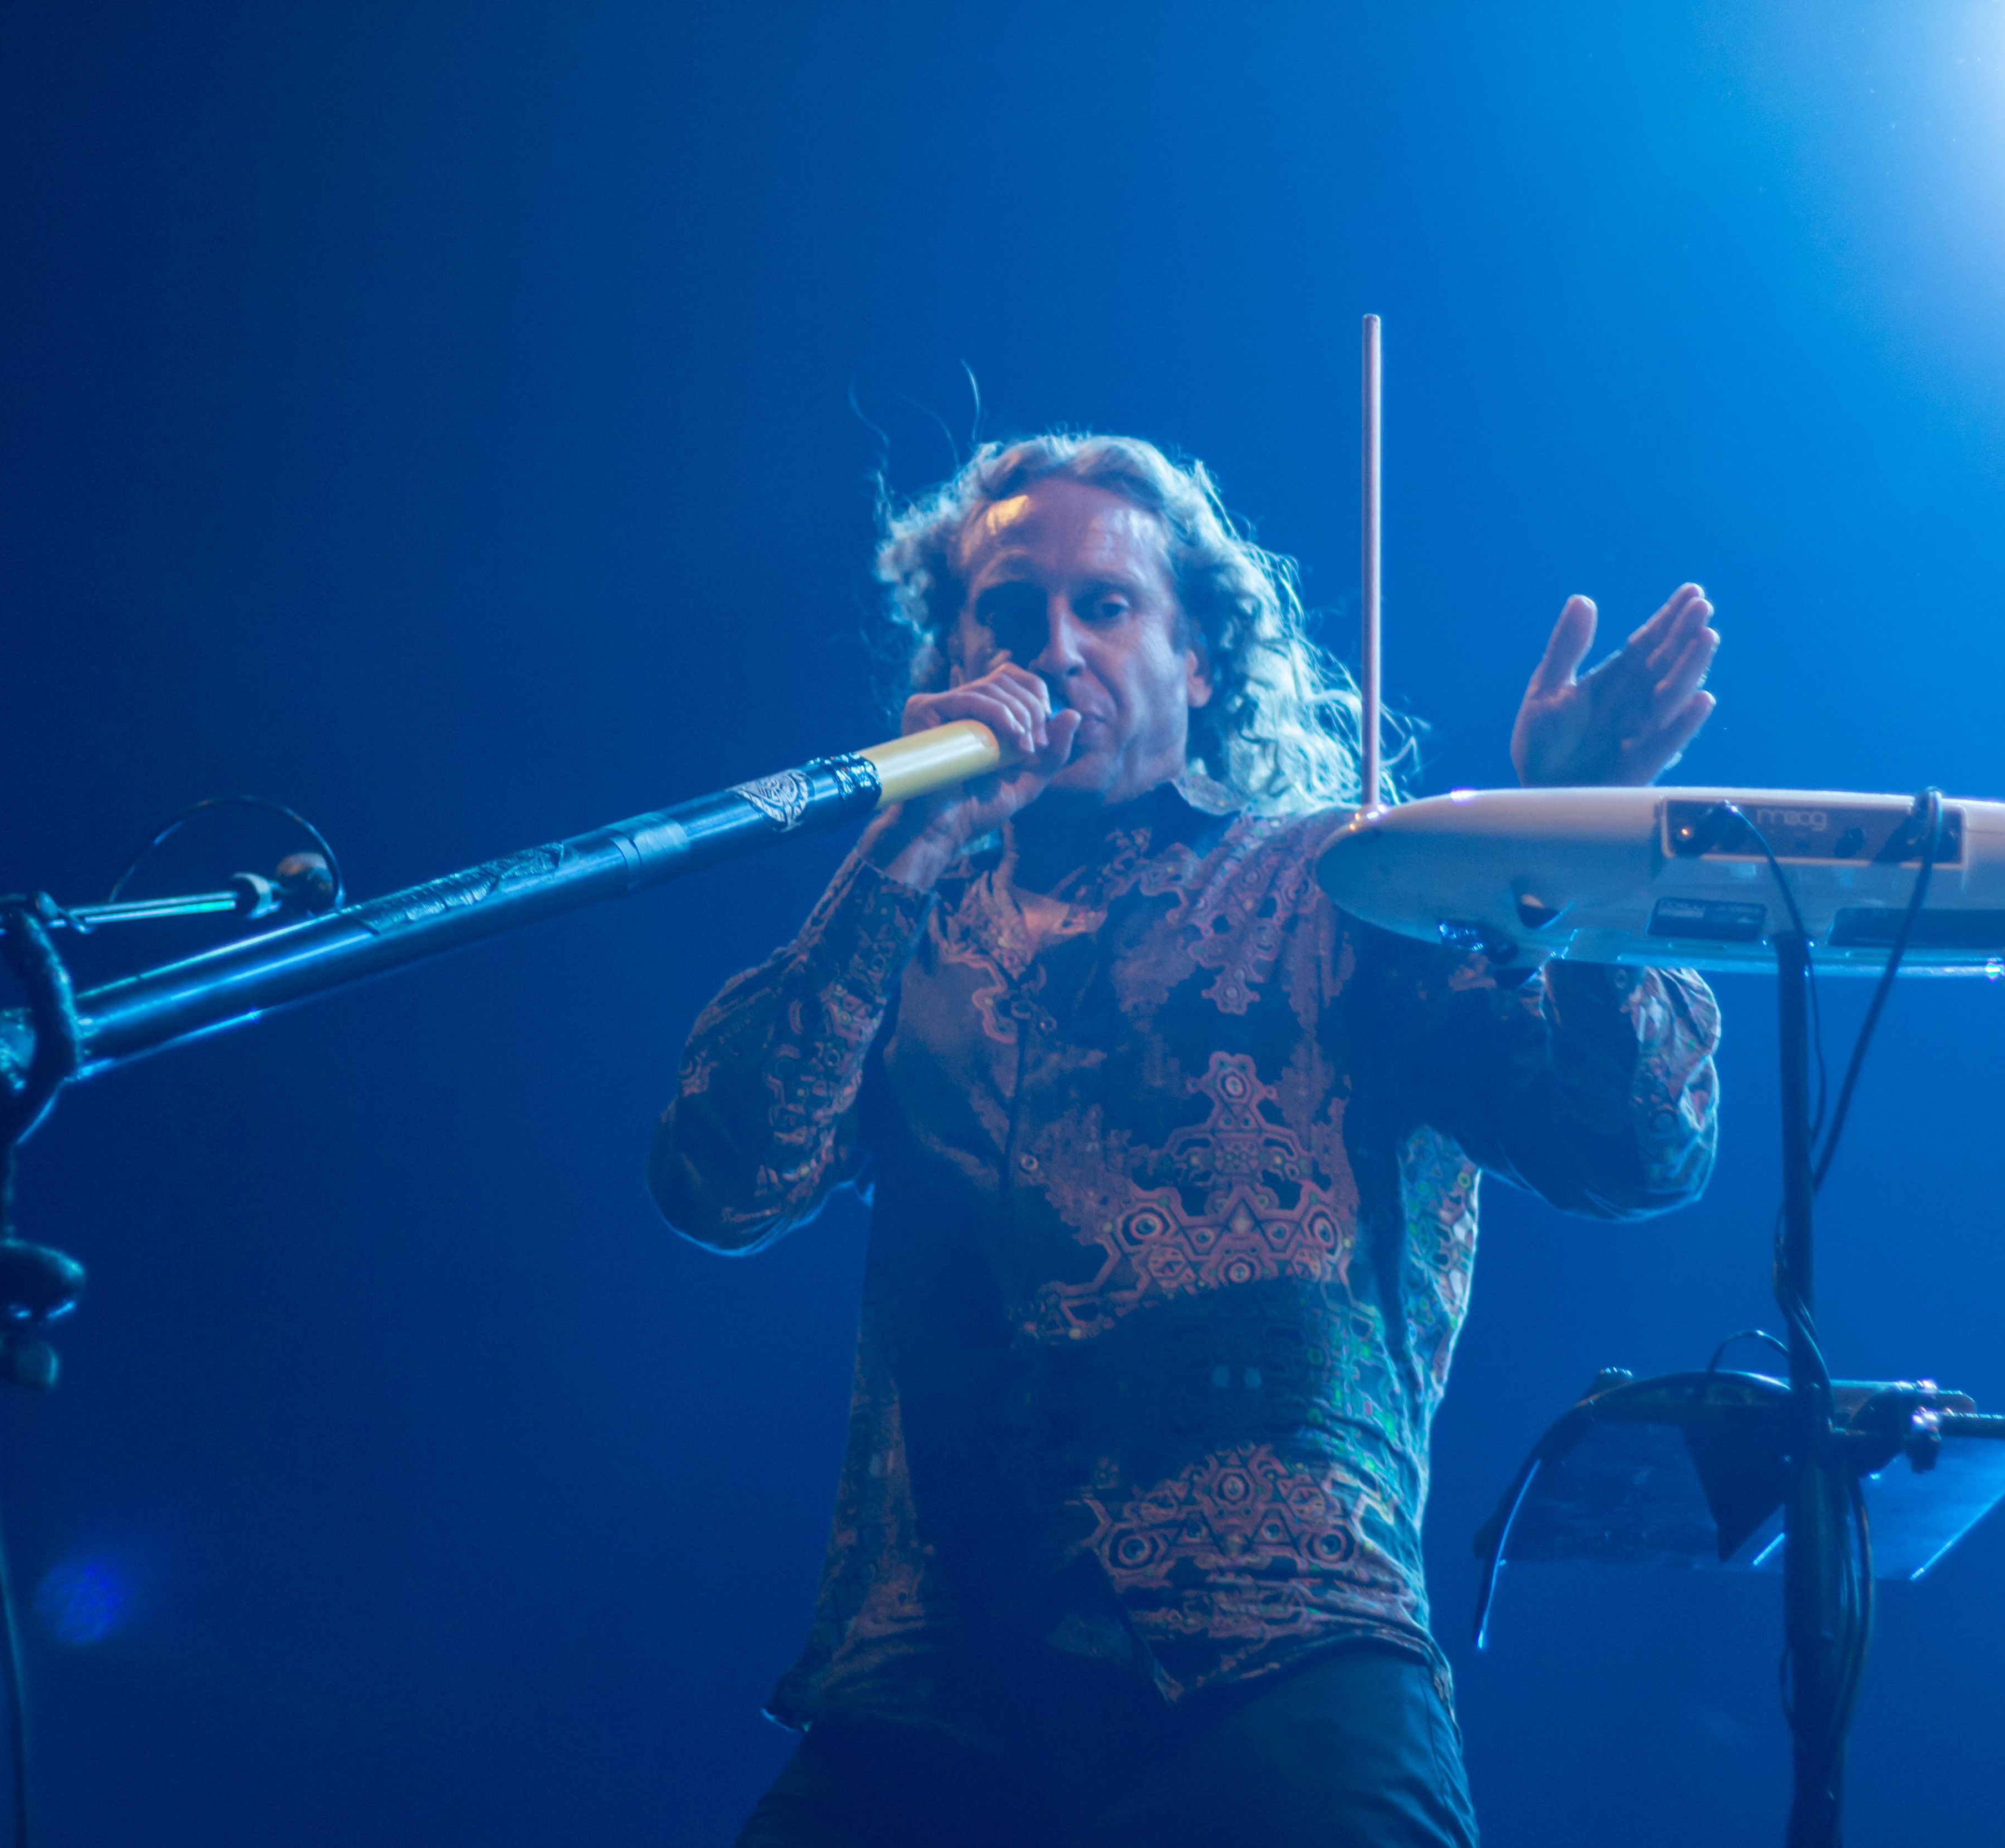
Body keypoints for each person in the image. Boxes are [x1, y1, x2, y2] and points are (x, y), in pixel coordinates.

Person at [650, 434, 1723, 1847]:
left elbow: (1635, 1146)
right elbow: (719, 1178)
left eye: (1104, 605)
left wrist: (1576, 838)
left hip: (1277, 1655)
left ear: (1200, 660)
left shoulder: (1345, 882)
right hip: (929, 1687)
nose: (1053, 649)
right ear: (951, 657)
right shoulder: (909, 933)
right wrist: (900, 849)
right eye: (1009, 613)